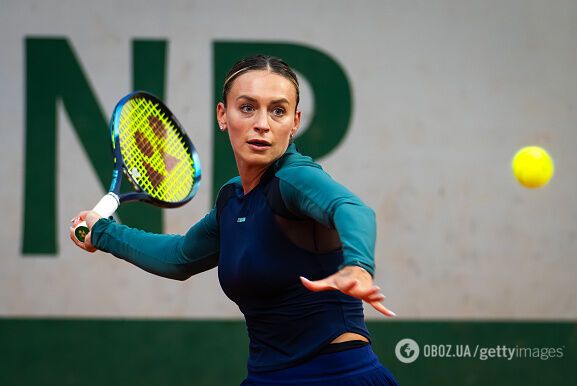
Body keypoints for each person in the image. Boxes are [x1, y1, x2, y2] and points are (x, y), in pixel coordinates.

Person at [70, 55, 398, 385]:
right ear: (222, 115)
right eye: (247, 107)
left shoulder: (295, 179)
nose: (262, 124)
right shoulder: (233, 199)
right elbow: (180, 257)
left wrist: (358, 267)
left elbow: (351, 209)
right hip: (263, 377)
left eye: (278, 111)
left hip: (337, 376)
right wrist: (102, 232)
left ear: (295, 122)